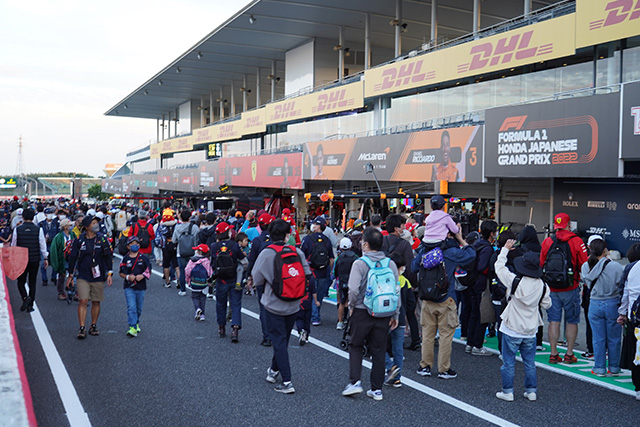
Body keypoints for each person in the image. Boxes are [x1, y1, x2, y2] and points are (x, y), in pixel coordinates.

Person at [253, 219, 313, 394]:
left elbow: (257, 278)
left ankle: (287, 381)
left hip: (273, 303)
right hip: (294, 303)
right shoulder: (296, 251)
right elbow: (307, 274)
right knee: (283, 340)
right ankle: (273, 371)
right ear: (288, 235)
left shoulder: (267, 253)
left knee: (278, 341)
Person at [342, 227, 399, 401]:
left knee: (356, 345)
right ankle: (376, 389)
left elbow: (353, 289)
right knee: (379, 349)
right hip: (384, 312)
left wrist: (351, 306)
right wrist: (395, 314)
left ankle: (355, 382)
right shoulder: (390, 264)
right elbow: (396, 291)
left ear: (365, 244)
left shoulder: (360, 263)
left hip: (361, 310)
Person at [413, 227, 475, 379]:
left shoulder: (424, 250)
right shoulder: (451, 252)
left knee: (427, 335)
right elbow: (471, 255)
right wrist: (460, 239)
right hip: (446, 297)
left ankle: (425, 366)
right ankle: (443, 369)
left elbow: (413, 267)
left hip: (427, 298)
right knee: (445, 335)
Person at [495, 239, 551, 402]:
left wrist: (505, 250)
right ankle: (531, 391)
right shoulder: (543, 286)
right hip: (530, 329)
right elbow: (547, 304)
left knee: (508, 362)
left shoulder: (515, 281)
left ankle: (508, 391)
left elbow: (499, 268)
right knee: (529, 362)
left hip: (511, 326)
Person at [539, 213, 588, 364]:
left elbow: (541, 264)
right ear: (569, 225)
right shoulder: (577, 241)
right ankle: (569, 354)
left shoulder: (547, 241)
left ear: (555, 226)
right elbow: (584, 265)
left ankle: (553, 354)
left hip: (552, 288)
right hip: (571, 287)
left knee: (553, 320)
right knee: (572, 321)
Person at [581, 237, 623, 377]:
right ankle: (614, 367)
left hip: (594, 302)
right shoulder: (615, 266)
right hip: (612, 303)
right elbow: (621, 285)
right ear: (605, 250)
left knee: (598, 338)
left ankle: (599, 368)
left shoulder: (585, 266)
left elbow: (585, 281)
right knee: (614, 338)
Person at [68, 215, 114, 339]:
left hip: (98, 274)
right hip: (83, 274)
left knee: (96, 301)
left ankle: (93, 325)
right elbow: (73, 257)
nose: (96, 225)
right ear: (87, 226)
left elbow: (108, 256)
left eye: (96, 222)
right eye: (93, 223)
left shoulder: (102, 239)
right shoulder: (79, 240)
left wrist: (110, 273)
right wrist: (70, 275)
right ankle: (82, 327)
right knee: (83, 300)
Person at [382, 214, 420, 351]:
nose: (404, 228)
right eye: (403, 225)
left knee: (386, 311)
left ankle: (386, 341)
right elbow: (410, 266)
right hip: (401, 282)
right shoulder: (404, 244)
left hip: (383, 282)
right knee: (409, 310)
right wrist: (413, 283)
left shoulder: (382, 241)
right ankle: (414, 339)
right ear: (397, 228)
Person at [467, 220, 498, 356]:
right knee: (482, 315)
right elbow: (482, 266)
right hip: (481, 283)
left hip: (472, 282)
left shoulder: (476, 244)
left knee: (474, 314)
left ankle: (470, 343)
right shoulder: (487, 248)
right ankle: (477, 345)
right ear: (492, 233)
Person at [210, 222, 245, 342]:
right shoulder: (234, 245)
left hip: (221, 279)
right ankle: (235, 329)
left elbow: (212, 263)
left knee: (221, 304)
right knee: (235, 304)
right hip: (234, 278)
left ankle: (221, 327)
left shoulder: (214, 246)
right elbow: (243, 261)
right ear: (228, 232)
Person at [11, 208, 48, 312]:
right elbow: (42, 245)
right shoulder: (38, 229)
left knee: (20, 281)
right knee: (32, 282)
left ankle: (25, 298)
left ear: (22, 217)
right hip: (34, 259)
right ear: (33, 217)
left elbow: (13, 245)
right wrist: (45, 258)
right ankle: (30, 305)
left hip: (21, 259)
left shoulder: (17, 229)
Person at [300, 216, 334, 326]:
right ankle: (316, 317)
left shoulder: (307, 239)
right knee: (319, 295)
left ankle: (309, 316)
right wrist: (330, 270)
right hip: (323, 271)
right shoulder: (326, 240)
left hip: (310, 271)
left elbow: (301, 255)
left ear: (318, 226)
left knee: (309, 293)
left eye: (314, 223)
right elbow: (331, 258)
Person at [618, 244, 640, 400]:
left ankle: (638, 386)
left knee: (637, 353)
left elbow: (624, 292)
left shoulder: (631, 268)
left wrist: (622, 313)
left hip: (635, 317)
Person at [119, 236, 151, 337]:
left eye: (137, 244)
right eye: (132, 244)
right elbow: (121, 273)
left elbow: (149, 270)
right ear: (128, 246)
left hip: (141, 286)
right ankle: (132, 327)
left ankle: (136, 322)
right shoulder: (125, 258)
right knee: (131, 307)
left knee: (139, 308)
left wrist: (142, 276)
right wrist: (128, 277)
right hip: (129, 286)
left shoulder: (144, 258)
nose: (135, 246)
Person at [385, 252, 408, 387]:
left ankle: (390, 367)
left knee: (377, 343)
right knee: (398, 348)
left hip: (387, 315)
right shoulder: (404, 280)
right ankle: (397, 378)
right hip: (401, 316)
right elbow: (409, 302)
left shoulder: (387, 278)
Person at [333, 237, 359, 330]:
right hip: (352, 281)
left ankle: (340, 321)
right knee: (351, 302)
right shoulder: (355, 257)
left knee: (342, 302)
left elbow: (335, 272)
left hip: (342, 281)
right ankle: (350, 322)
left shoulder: (339, 258)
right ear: (350, 246)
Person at [173, 210, 199, 296]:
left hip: (180, 251)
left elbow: (174, 240)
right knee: (193, 270)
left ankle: (183, 290)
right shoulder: (194, 227)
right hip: (193, 251)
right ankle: (194, 287)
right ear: (189, 218)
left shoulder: (177, 227)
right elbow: (197, 239)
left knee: (182, 270)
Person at [185, 244, 213, 322]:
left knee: (194, 297)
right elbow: (210, 272)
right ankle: (202, 315)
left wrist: (188, 280)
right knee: (203, 298)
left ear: (199, 252)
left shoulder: (192, 260)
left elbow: (187, 270)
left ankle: (197, 309)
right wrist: (209, 282)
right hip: (204, 284)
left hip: (194, 282)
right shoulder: (207, 261)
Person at [50, 218, 74, 300]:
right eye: (70, 225)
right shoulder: (58, 237)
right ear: (65, 227)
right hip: (62, 258)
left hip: (72, 258)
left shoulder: (73, 235)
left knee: (73, 275)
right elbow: (54, 250)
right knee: (61, 276)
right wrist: (55, 262)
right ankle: (61, 292)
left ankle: (72, 291)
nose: (72, 226)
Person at [157, 210, 178, 288]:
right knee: (176, 264)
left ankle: (167, 282)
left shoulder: (162, 226)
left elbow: (158, 237)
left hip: (165, 246)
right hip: (175, 245)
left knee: (166, 265)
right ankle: (179, 281)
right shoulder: (176, 225)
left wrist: (159, 244)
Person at [39, 207, 59, 287]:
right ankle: (44, 279)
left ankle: (53, 277)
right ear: (45, 215)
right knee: (43, 263)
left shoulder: (56, 223)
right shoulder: (41, 224)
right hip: (44, 245)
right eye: (48, 214)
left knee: (54, 262)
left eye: (51, 213)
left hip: (53, 244)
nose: (49, 215)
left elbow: (58, 233)